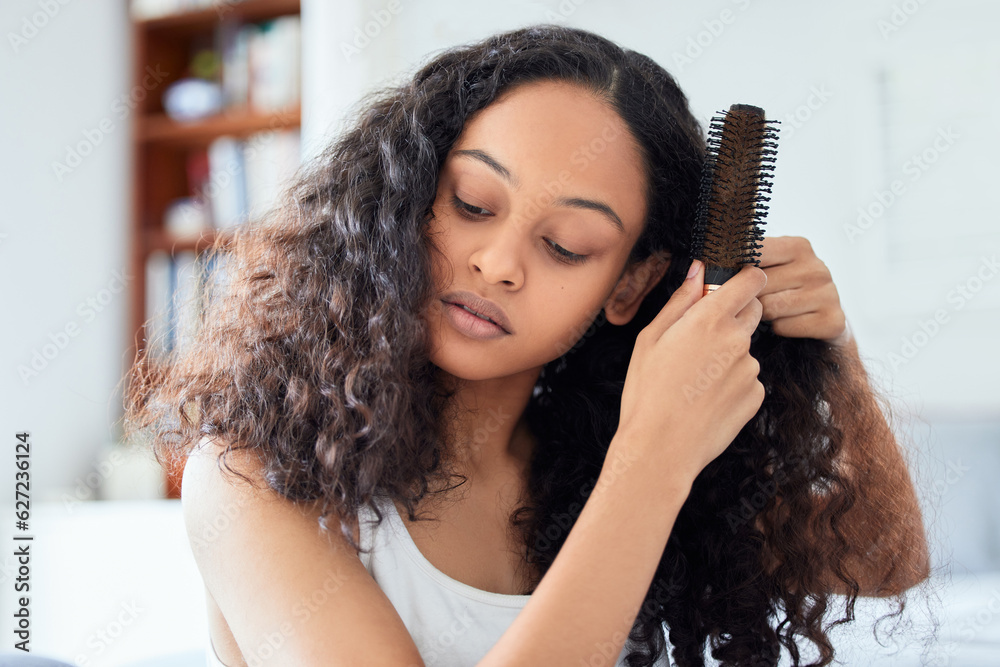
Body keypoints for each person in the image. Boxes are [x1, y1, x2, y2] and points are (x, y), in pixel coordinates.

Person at [122, 23, 931, 667]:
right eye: (473, 203)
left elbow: (885, 561)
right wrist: (650, 462)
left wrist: (835, 357)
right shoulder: (251, 476)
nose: (498, 264)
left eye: (567, 246)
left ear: (626, 284)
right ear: (407, 197)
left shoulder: (590, 460)